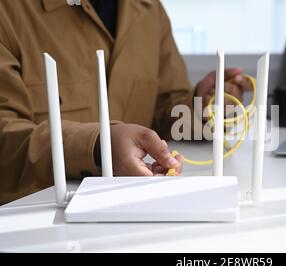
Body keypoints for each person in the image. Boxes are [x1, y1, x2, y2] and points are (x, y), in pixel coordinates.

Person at [0, 0, 252, 204]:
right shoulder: (9, 12)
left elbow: (165, 108)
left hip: (138, 211)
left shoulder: (149, 10)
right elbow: (5, 137)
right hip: (39, 224)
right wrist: (99, 146)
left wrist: (201, 108)